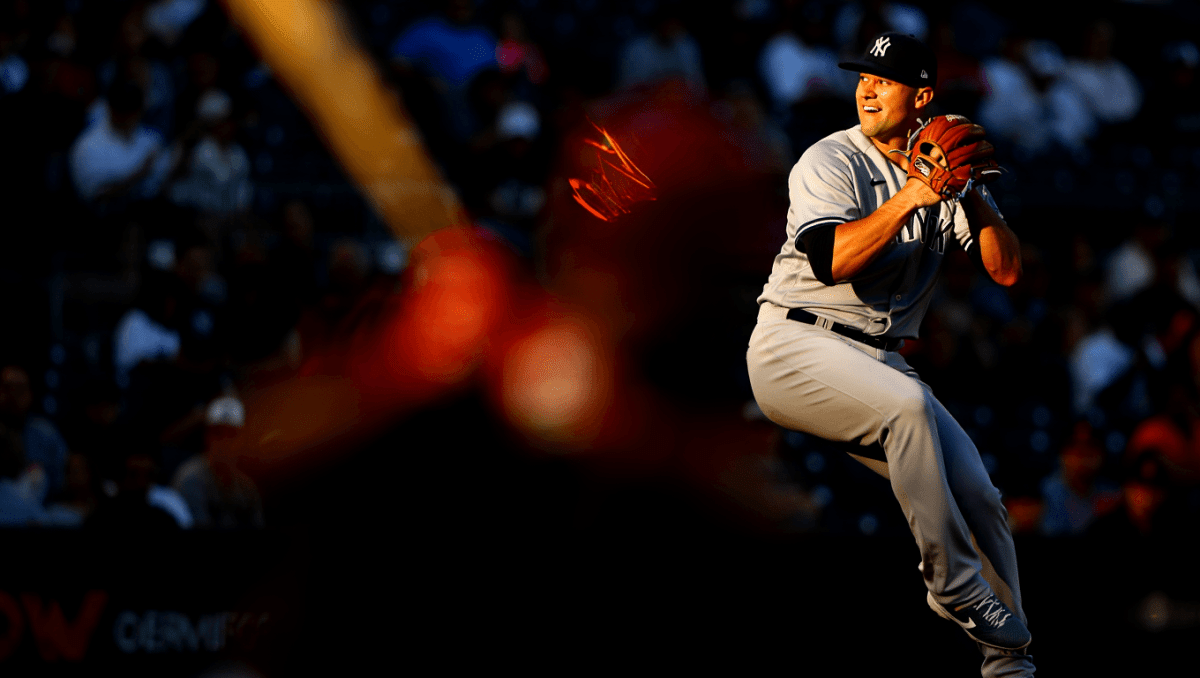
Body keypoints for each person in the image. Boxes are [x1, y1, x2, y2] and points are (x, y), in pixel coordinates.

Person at [745, 33, 1034, 677]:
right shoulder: (828, 159)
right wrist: (915, 193)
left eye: (885, 78)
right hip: (794, 343)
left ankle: (1009, 661)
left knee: (981, 499)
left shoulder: (941, 165)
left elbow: (1006, 270)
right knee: (906, 406)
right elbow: (833, 259)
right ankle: (956, 589)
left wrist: (974, 193)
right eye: (863, 75)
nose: (867, 86)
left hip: (877, 362)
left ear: (923, 96)